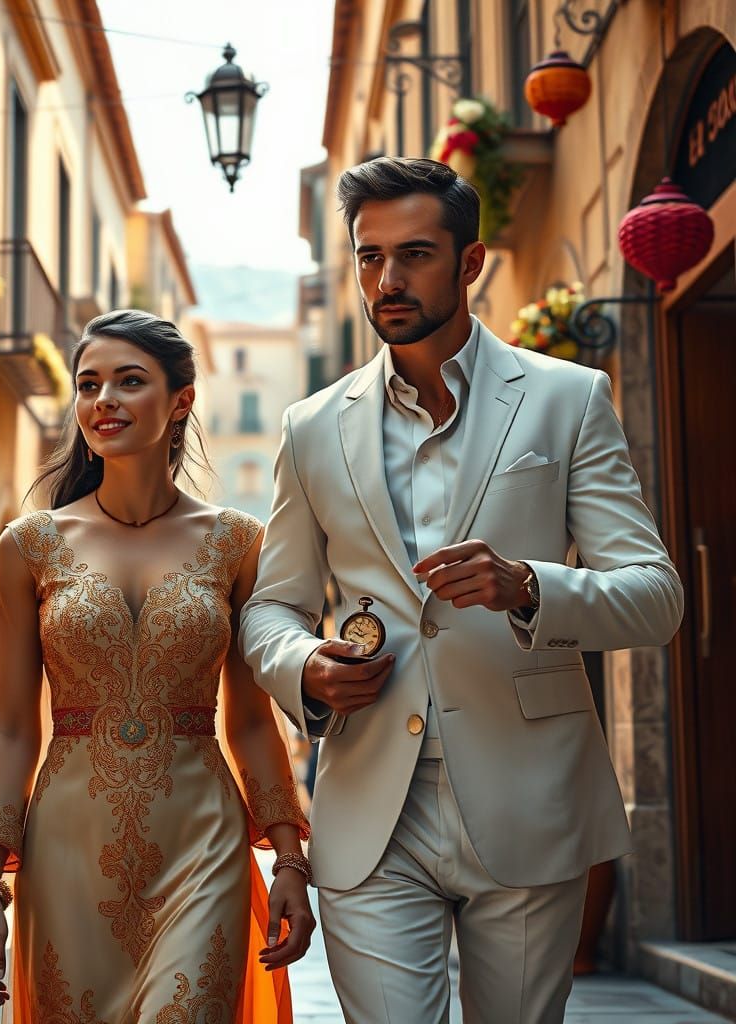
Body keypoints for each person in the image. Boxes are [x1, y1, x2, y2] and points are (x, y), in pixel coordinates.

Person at [239, 157, 683, 1024]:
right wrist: (304, 667)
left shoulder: (568, 398)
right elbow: (272, 605)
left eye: (414, 255)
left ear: (470, 262)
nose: (388, 280)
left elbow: (654, 595)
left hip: (530, 795)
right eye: (369, 258)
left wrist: (527, 586)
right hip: (372, 805)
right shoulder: (310, 426)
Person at [0, 310, 313, 1022]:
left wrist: (289, 864)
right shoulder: (28, 546)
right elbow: (11, 729)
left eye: (128, 381)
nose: (103, 401)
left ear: (180, 400)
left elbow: (248, 724)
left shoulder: (239, 543)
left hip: (202, 839)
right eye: (88, 385)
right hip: (66, 847)